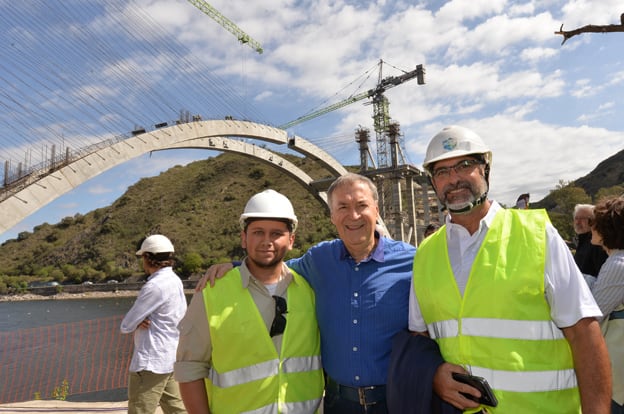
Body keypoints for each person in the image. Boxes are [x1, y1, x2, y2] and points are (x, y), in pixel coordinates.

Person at [408, 125, 611, 413]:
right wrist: (433, 373)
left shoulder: (537, 234)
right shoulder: (425, 254)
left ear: (485, 170)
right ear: (433, 182)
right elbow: (420, 337)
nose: (454, 179)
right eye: (442, 172)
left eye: (465, 165)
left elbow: (584, 334)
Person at [199, 174, 416, 414]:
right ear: (332, 216)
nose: (353, 215)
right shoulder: (319, 260)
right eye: (342, 207)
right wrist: (234, 265)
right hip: (338, 403)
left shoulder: (412, 261)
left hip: (397, 400)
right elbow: (275, 266)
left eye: (362, 205)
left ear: (376, 210)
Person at [174, 189, 323, 414]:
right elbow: (190, 369)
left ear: (291, 240)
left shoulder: (309, 291)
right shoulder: (212, 293)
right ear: (244, 238)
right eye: (258, 232)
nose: (266, 241)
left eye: (276, 233)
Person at [120, 234, 188, 414]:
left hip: (151, 361)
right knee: (176, 408)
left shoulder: (154, 286)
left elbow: (126, 325)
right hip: (170, 355)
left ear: (147, 258)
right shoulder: (175, 281)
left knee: (140, 410)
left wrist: (137, 320)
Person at [584, 195, 624, 413]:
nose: (591, 227)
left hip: (618, 372)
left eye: (595, 223)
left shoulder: (617, 264)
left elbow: (594, 314)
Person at [574, 203, 608, 277]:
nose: (577, 222)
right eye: (576, 218)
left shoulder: (597, 244)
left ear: (593, 221)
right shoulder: (582, 242)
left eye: (582, 218)